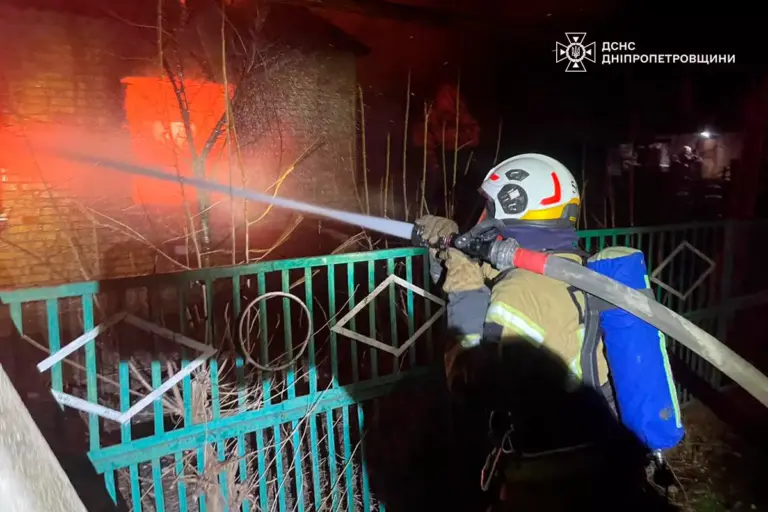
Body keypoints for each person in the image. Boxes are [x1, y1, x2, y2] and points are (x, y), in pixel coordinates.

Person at [415, 153, 656, 509]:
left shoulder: (519, 291)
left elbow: (472, 386)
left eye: (488, 208)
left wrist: (464, 291)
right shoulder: (579, 267)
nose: (481, 219)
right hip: (604, 451)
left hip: (551, 473)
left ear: (513, 208)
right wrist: (450, 258)